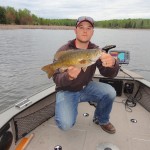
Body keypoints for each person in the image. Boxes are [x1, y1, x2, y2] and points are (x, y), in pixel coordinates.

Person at [53, 16, 120, 134]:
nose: (85, 31)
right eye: (81, 27)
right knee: (65, 124)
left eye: (89, 28)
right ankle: (68, 106)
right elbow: (56, 78)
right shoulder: (64, 50)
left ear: (92, 32)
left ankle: (101, 119)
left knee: (110, 92)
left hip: (86, 87)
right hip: (66, 90)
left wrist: (113, 63)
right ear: (75, 30)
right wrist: (68, 76)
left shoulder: (95, 50)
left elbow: (108, 74)